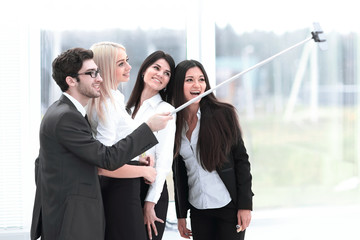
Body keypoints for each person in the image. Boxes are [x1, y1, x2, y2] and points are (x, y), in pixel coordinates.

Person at [30, 47, 172, 240]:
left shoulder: (66, 112)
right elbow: (104, 159)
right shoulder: (65, 117)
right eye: (91, 74)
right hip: (71, 218)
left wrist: (138, 162)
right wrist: (147, 128)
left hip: (74, 213)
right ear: (71, 81)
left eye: (97, 72)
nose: (99, 78)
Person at [171, 60, 254, 240]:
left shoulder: (223, 114)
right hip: (198, 209)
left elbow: (242, 161)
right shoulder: (174, 124)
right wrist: (181, 214)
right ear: (178, 85)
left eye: (201, 79)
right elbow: (179, 173)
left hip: (228, 206)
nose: (197, 85)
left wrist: (245, 205)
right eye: (189, 80)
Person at [86, 42, 161, 240]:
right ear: (106, 67)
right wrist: (144, 170)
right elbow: (104, 165)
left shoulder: (115, 98)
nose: (129, 67)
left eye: (126, 61)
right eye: (121, 64)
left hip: (126, 186)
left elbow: (118, 148)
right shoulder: (107, 103)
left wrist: (137, 159)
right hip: (119, 190)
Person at [127, 50, 176, 240]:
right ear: (144, 70)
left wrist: (150, 202)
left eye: (166, 73)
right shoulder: (127, 109)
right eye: (156, 68)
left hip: (150, 189)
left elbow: (163, 161)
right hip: (128, 185)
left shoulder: (165, 111)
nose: (160, 75)